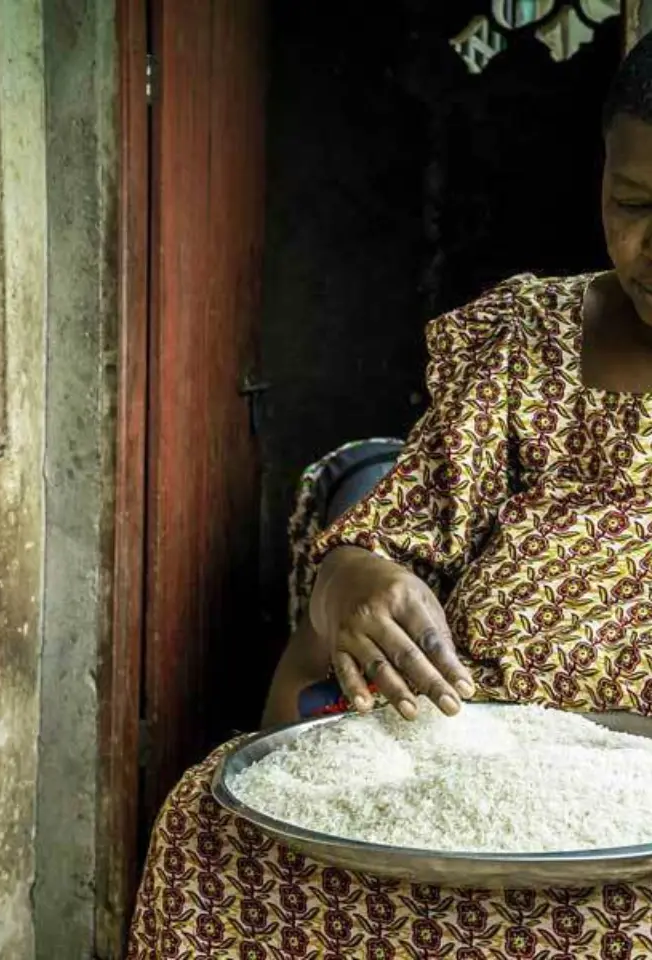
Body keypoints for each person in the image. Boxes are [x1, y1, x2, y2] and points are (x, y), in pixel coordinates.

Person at [126, 29, 652, 960]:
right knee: (209, 832)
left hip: (629, 823)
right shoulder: (526, 338)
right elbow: (378, 549)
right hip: (465, 762)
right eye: (635, 204)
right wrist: (356, 581)